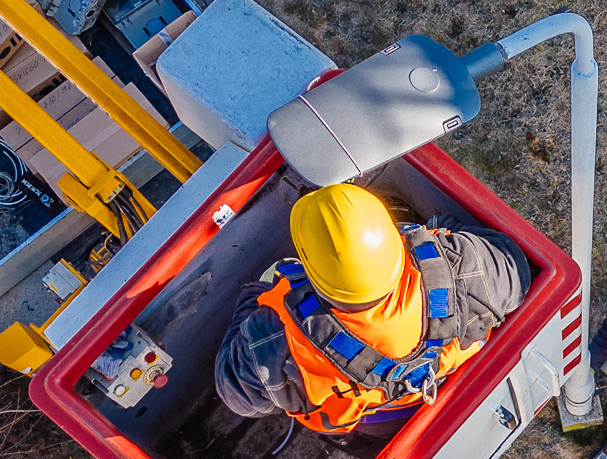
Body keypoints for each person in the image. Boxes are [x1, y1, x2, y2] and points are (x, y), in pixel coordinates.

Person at [215, 183, 530, 436]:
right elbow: (516, 267)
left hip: (373, 420)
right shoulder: (465, 265)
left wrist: (256, 296)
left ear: (310, 269)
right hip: (437, 387)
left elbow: (234, 394)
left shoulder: (273, 338)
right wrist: (438, 234)